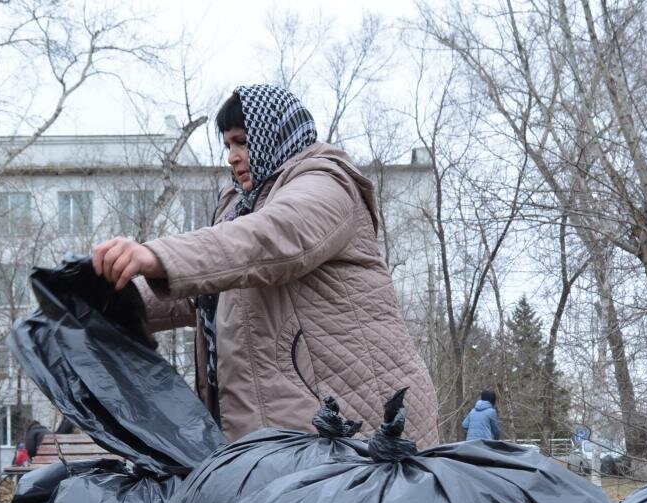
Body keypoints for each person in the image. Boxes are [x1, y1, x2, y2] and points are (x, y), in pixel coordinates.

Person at [90, 84, 438, 446]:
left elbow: (269, 239)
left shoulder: (327, 183)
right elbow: (202, 287)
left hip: (360, 431)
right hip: (289, 439)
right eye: (227, 146)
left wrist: (158, 255)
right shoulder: (239, 208)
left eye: (242, 141)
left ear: (273, 134)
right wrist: (101, 301)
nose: (232, 157)